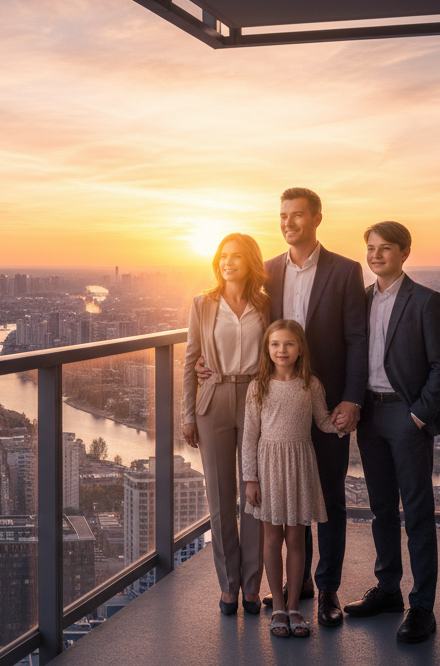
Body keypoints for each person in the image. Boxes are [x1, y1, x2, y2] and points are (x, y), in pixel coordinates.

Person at [201, 187, 367, 627]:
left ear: (316, 218)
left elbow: (356, 340)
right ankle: (297, 589)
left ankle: (327, 586)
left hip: (324, 403)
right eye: (282, 216)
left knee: (328, 495)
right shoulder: (268, 272)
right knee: (284, 500)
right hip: (274, 404)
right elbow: (244, 328)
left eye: (297, 215)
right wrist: (209, 361)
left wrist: (351, 398)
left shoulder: (346, 271)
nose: (288, 222)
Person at [341, 221, 440, 643]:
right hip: (368, 414)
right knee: (382, 509)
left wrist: (418, 416)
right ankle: (388, 590)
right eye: (370, 248)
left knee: (418, 516)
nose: (375, 255)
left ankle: (422, 606)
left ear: (405, 252)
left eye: (385, 248)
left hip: (406, 418)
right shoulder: (360, 300)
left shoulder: (426, 301)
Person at [182, 233, 270, 615]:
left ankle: (252, 586)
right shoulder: (203, 304)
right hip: (213, 400)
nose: (228, 262)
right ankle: (228, 586)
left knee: (255, 495)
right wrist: (188, 413)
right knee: (219, 500)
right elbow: (190, 360)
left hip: (256, 399)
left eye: (236, 256)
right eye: (222, 256)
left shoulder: (266, 304)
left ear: (250, 261)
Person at [243, 319, 345, 638]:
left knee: (296, 540)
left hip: (300, 465)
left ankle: (294, 607)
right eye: (275, 344)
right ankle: (276, 609)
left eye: (288, 344)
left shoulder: (310, 384)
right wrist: (250, 478)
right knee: (272, 540)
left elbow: (323, 421)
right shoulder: (257, 386)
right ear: (267, 349)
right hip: (268, 466)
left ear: (300, 348)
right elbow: (249, 436)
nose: (281, 350)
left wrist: (347, 422)